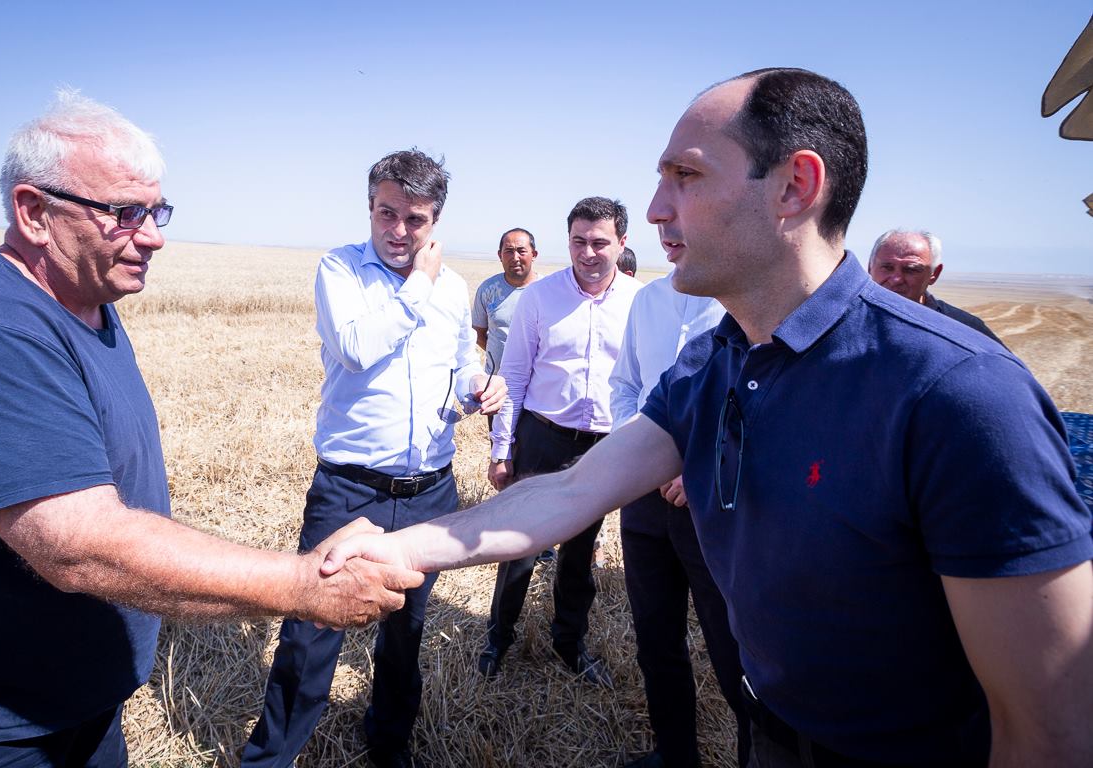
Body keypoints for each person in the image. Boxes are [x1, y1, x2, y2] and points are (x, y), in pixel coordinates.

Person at [322, 68, 1093, 767]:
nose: (658, 209)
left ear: (795, 187)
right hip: (768, 737)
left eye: (685, 176)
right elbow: (570, 490)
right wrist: (400, 546)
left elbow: (1051, 732)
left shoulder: (960, 392)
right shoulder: (713, 362)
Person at [0, 91, 422, 768]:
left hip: (63, 699)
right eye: (125, 213)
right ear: (34, 212)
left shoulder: (81, 300)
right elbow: (78, 545)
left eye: (156, 211)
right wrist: (302, 586)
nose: (152, 235)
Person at [241, 149, 506, 768]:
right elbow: (358, 348)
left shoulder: (453, 287)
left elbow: (458, 361)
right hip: (350, 489)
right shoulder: (341, 269)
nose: (399, 230)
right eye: (387, 213)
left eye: (416, 219)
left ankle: (389, 746)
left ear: (435, 220)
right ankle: (270, 758)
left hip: (430, 489)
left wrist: (478, 384)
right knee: (311, 633)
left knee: (405, 631)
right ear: (369, 208)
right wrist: (419, 285)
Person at [478, 196, 641, 686]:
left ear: (622, 243)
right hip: (542, 438)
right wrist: (502, 450)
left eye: (599, 242)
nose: (588, 253)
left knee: (579, 552)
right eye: (578, 241)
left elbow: (643, 381)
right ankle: (497, 639)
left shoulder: (640, 302)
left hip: (603, 447)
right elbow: (514, 376)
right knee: (519, 546)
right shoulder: (539, 298)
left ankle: (570, 642)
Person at [609, 276, 747, 768]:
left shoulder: (740, 298)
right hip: (644, 500)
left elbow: (756, 403)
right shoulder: (646, 300)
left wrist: (701, 468)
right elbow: (625, 386)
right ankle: (674, 754)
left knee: (733, 650)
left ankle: (757, 754)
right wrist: (643, 454)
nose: (671, 239)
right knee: (656, 638)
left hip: (713, 504)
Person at [867, 228, 1004, 344]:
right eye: (887, 267)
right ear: (870, 267)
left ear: (934, 274)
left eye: (911, 269)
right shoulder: (854, 320)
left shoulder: (965, 328)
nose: (896, 279)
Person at [472, 227, 540, 372]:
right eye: (509, 251)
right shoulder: (487, 289)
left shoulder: (547, 290)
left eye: (521, 251)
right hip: (496, 379)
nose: (515, 257)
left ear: (534, 254)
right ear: (500, 255)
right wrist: (501, 355)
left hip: (536, 382)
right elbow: (478, 332)